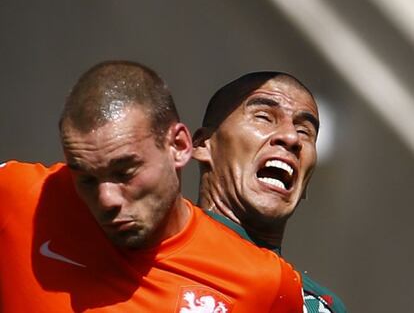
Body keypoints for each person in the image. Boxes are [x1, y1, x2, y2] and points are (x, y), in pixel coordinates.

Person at [0, 60, 304, 312]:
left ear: (180, 146)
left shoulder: (262, 284)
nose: (107, 199)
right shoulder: (17, 195)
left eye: (124, 172)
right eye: (87, 178)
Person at [193, 71, 347, 312]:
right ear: (203, 145)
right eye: (264, 117)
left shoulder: (315, 308)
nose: (291, 138)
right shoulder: (141, 258)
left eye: (305, 131)